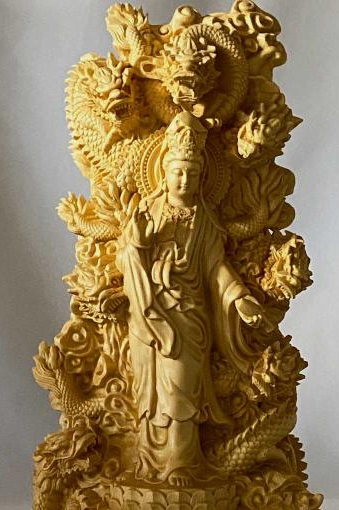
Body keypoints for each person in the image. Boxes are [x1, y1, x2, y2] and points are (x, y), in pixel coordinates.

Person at [116, 111, 269, 487]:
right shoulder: (149, 211)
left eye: (192, 174)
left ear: (202, 177)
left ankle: (181, 463)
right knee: (151, 395)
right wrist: (137, 245)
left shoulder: (203, 220)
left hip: (188, 317)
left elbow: (216, 267)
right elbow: (126, 259)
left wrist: (240, 298)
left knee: (181, 389)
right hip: (148, 313)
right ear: (164, 172)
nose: (184, 181)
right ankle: (150, 461)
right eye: (178, 173)